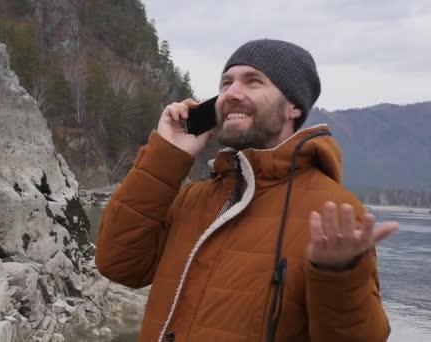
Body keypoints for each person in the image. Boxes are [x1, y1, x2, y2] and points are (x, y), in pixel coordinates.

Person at [95, 39, 399, 342]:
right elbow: (119, 265)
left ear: (294, 106)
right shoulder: (193, 198)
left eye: (253, 82)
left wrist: (339, 278)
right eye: (226, 83)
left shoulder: (334, 213)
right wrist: (165, 157)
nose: (232, 93)